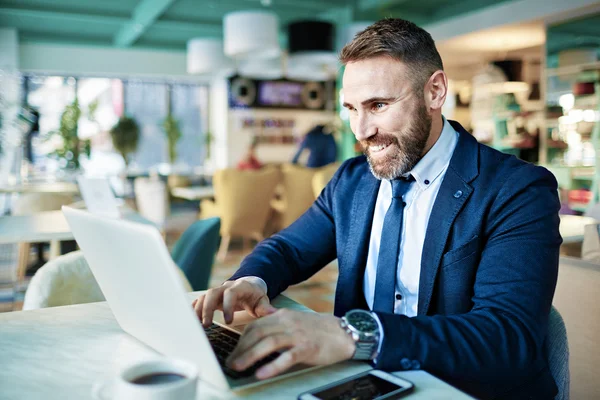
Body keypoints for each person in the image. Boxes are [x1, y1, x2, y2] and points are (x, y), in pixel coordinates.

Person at [194, 18, 561, 400]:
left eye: (379, 105)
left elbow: (507, 338)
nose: (361, 130)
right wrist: (250, 282)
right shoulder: (352, 180)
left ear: (435, 92)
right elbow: (288, 249)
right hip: (366, 383)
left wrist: (354, 335)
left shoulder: (518, 190)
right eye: (351, 108)